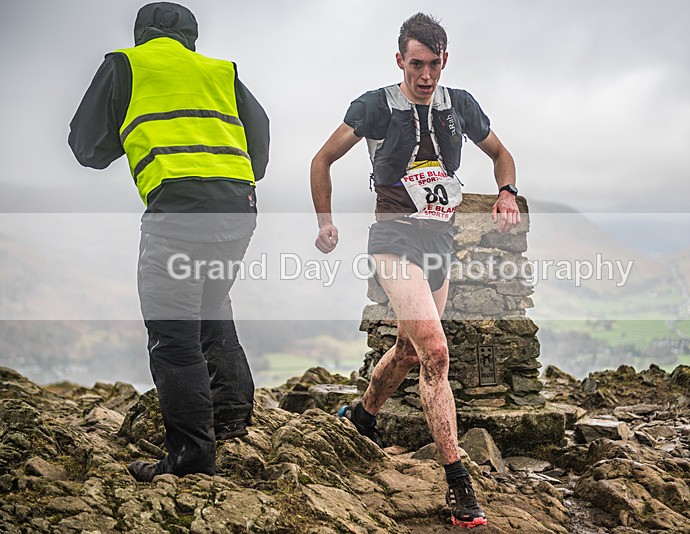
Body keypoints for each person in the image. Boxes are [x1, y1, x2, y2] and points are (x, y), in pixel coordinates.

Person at [310, 13, 520, 529]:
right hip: (393, 240)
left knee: (408, 350)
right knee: (436, 351)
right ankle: (459, 485)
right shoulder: (375, 106)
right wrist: (326, 223)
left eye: (434, 63)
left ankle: (362, 418)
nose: (425, 75)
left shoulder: (460, 106)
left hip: (438, 243)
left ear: (445, 60)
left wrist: (507, 193)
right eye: (416, 63)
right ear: (400, 59)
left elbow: (502, 154)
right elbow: (321, 160)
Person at [68, 2, 269, 482]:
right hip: (238, 206)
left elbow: (86, 146)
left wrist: (130, 136)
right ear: (191, 38)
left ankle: (191, 457)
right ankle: (233, 415)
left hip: (179, 209)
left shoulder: (125, 64)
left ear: (141, 34)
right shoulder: (220, 71)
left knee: (173, 333)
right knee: (213, 304)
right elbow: (258, 131)